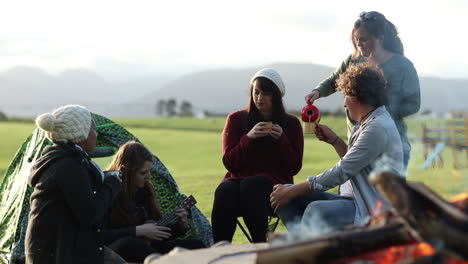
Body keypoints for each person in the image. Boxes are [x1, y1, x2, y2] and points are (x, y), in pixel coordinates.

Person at [271, 64, 403, 235]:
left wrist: (290, 191)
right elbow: (357, 164)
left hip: (372, 208)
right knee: (285, 196)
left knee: (315, 210)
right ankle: (307, 247)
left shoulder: (377, 128)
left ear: (356, 96)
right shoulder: (368, 121)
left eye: (346, 96)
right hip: (357, 200)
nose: (344, 104)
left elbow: (342, 172)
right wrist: (335, 141)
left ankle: (306, 252)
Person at [305, 11, 420, 167]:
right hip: (357, 144)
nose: (359, 44)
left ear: (380, 38)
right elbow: (334, 80)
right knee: (353, 191)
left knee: (387, 192)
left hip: (392, 146)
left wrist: (380, 113)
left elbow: (414, 104)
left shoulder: (403, 66)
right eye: (356, 39)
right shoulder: (353, 59)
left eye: (364, 39)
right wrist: (317, 92)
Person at [211, 68, 304, 243]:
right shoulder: (236, 120)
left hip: (275, 188)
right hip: (238, 183)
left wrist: (282, 140)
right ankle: (220, 249)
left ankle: (260, 246)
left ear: (276, 96)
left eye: (266, 93)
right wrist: (248, 138)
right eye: (256, 92)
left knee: (252, 185)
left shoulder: (291, 124)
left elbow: (294, 167)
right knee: (224, 190)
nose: (259, 98)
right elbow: (229, 163)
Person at [25, 105, 122, 264]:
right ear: (82, 135)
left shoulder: (64, 160)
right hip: (55, 254)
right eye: (93, 130)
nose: (96, 135)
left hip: (56, 250)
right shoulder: (68, 166)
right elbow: (89, 214)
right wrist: (112, 184)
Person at [104, 141, 205, 263]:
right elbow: (101, 235)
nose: (148, 177)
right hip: (116, 250)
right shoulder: (108, 191)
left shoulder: (145, 191)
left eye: (149, 171)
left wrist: (181, 225)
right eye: (143, 173)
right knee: (130, 244)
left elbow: (155, 233)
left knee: (196, 245)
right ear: (127, 171)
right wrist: (138, 230)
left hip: (149, 249)